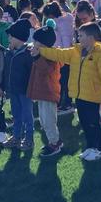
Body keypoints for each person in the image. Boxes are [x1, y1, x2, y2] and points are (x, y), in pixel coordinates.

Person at [35, 22, 101, 161]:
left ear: (91, 37)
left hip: (92, 96)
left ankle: (98, 149)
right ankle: (90, 147)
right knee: (84, 123)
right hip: (79, 95)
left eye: (81, 35)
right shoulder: (75, 51)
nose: (78, 37)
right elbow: (58, 54)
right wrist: (41, 51)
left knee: (93, 123)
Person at [28, 22, 63, 156]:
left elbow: (47, 70)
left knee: (49, 121)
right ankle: (54, 141)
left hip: (48, 92)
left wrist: (37, 56)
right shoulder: (41, 53)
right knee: (43, 120)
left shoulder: (50, 55)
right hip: (42, 92)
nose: (34, 42)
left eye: (37, 40)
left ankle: (55, 143)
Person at [0, 19, 34, 150]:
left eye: (10, 36)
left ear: (19, 38)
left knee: (27, 115)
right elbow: (5, 71)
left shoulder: (28, 54)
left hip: (25, 91)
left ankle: (29, 139)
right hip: (13, 89)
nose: (8, 38)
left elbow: (32, 74)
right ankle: (16, 136)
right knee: (16, 114)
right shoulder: (9, 53)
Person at [42, 1, 75, 111]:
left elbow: (66, 38)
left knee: (64, 81)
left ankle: (66, 102)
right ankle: (61, 101)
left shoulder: (62, 22)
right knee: (59, 80)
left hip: (62, 56)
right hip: (57, 55)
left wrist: (65, 56)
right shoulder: (63, 20)